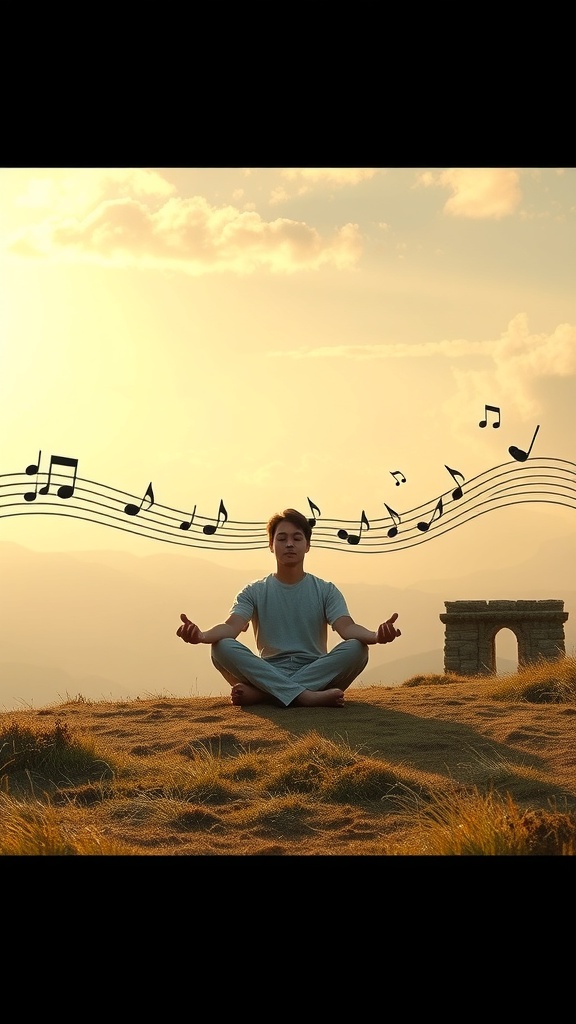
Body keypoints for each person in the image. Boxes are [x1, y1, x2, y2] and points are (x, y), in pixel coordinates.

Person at [176, 507, 401, 708]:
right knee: (220, 647)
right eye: (282, 538)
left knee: (357, 649)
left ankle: (266, 695)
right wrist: (202, 635)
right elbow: (231, 627)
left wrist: (375, 635)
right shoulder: (254, 591)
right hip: (268, 670)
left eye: (297, 538)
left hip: (316, 671)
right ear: (271, 545)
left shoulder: (325, 590)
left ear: (307, 545)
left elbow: (347, 628)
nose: (290, 544)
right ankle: (306, 696)